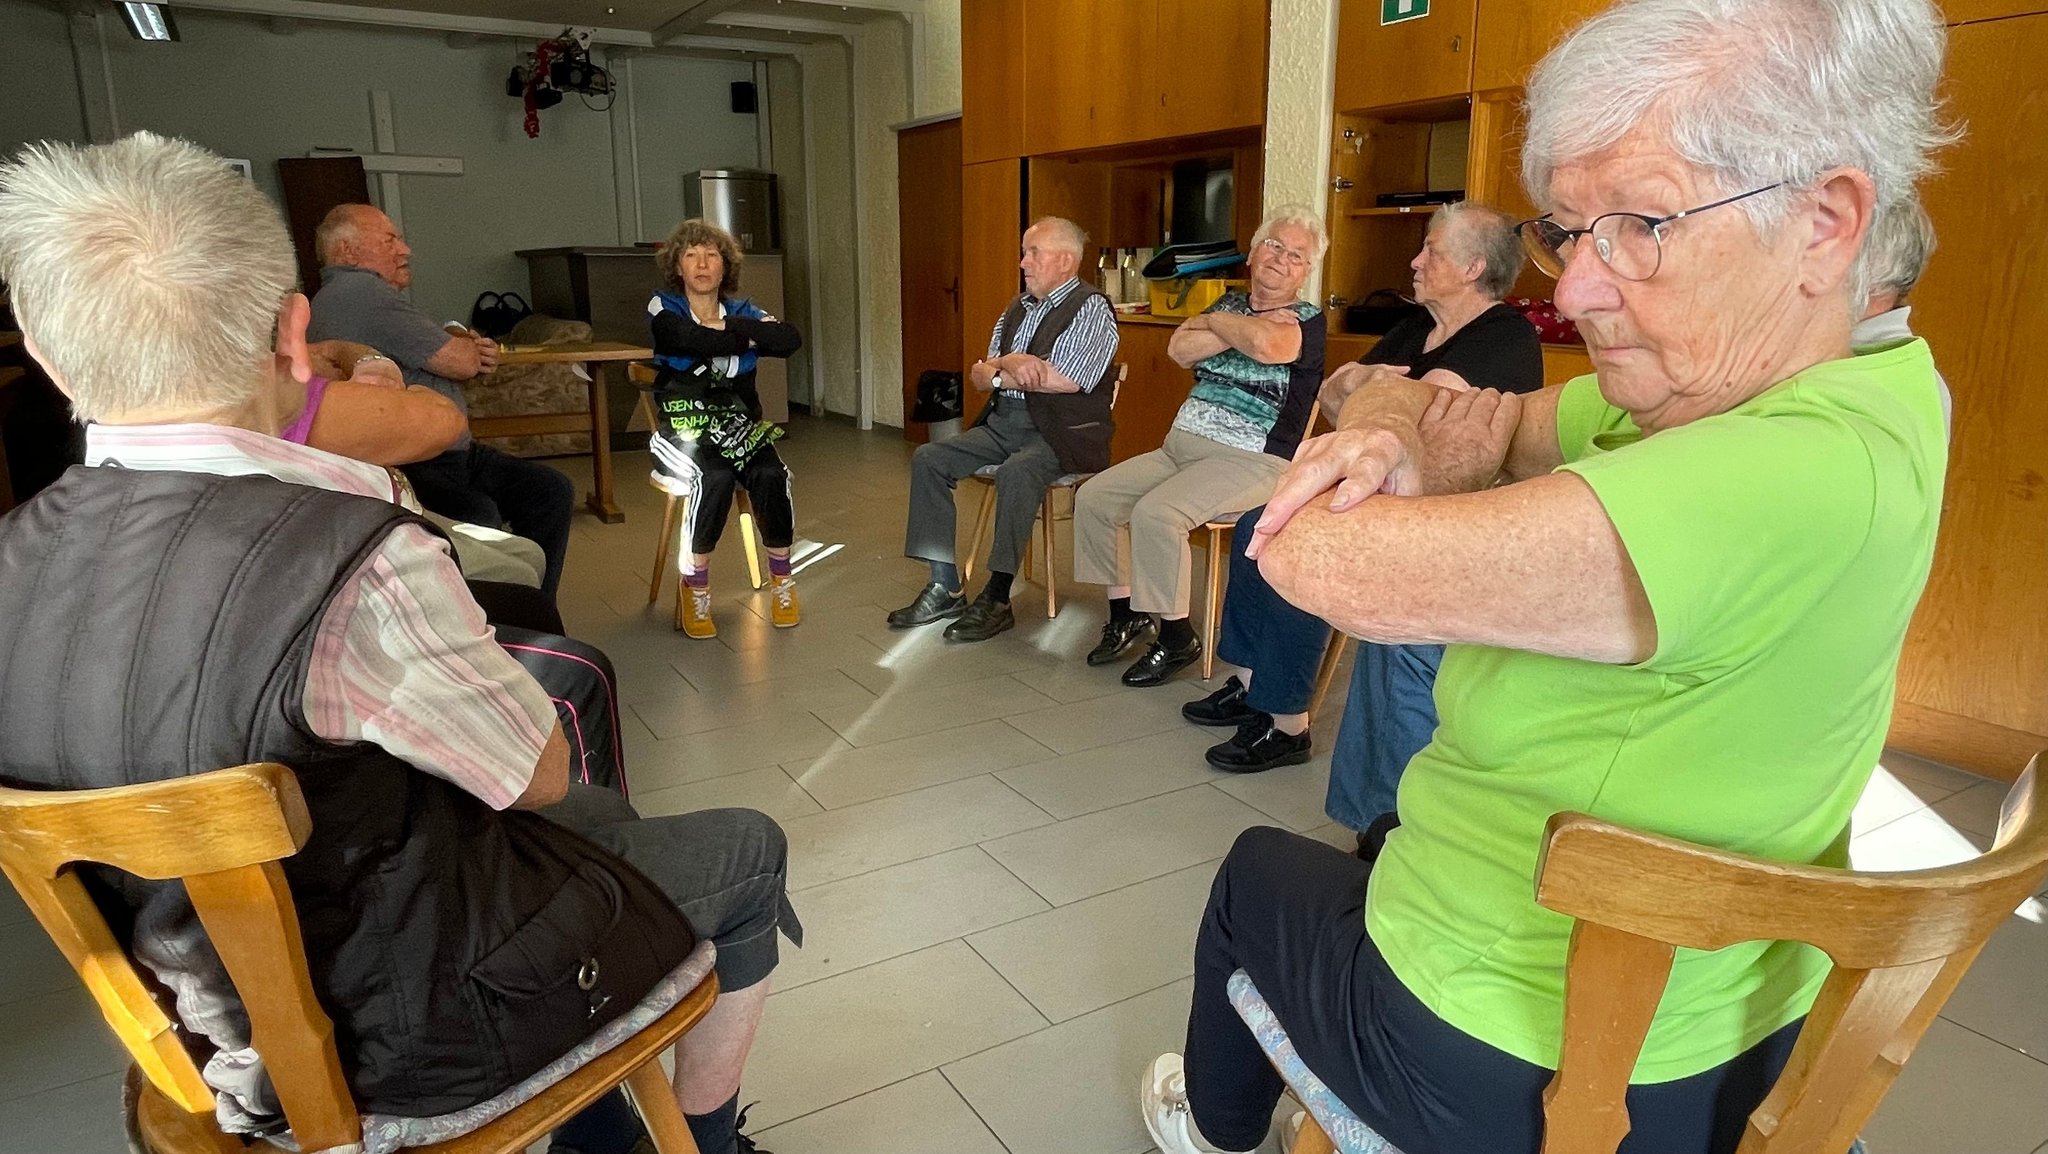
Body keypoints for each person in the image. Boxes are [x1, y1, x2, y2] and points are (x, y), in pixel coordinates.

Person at [1139, 0, 1953, 1150]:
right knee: (1368, 840)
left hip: (1543, 1049)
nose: (1570, 291)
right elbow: (1483, 419)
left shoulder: (1777, 471)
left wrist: (1378, 426)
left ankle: (1209, 1130)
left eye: (1637, 225)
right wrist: (1388, 416)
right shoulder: (1791, 388)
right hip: (1716, 998)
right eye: (1570, 232)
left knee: (1251, 872)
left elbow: (1319, 550)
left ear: (1823, 224)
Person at [0, 133, 797, 1154]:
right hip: (412, 1049)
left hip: (204, 1053)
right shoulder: (353, 557)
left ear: (49, 355)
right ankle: (704, 1144)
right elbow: (536, 773)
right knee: (740, 847)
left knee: (591, 824)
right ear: (296, 337)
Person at [1186, 203, 1542, 779]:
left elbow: (1411, 414)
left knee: (1306, 540)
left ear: (1474, 267)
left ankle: (1286, 723)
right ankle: (1252, 686)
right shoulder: (1416, 326)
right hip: (1375, 490)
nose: (1415, 260)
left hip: (1442, 517)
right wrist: (1370, 389)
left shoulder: (1505, 336)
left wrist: (1370, 388)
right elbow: (1334, 396)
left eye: (1432, 251)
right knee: (1261, 524)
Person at [1072, 206, 1328, 687]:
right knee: (1095, 498)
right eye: (1274, 245)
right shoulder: (1233, 307)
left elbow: (1270, 349)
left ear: (1306, 271)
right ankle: (1128, 613)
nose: (1282, 260)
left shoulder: (1307, 320)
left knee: (1158, 514)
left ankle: (1176, 638)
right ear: (1253, 252)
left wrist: (1216, 324)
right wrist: (1241, 326)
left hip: (1253, 459)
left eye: (1297, 256)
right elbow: (1178, 349)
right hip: (1179, 448)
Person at [307, 203, 578, 599]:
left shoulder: (355, 296)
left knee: (548, 489)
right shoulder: (360, 292)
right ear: (348, 252)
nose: (405, 249)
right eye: (390, 240)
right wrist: (461, 342)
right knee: (486, 510)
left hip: (447, 455)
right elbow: (462, 361)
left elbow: (446, 345)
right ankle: (500, 615)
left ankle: (531, 609)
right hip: (417, 461)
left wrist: (453, 335)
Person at [888, 216, 1118, 641]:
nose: (1023, 262)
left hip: (1062, 432)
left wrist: (998, 368)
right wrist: (1011, 363)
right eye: (1025, 252)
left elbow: (1064, 379)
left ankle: (996, 597)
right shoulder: (1017, 307)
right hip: (1004, 423)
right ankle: (944, 585)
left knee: (1018, 471)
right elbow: (979, 375)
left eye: (1034, 252)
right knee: (930, 458)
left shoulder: (1091, 307)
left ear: (1066, 261)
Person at [646, 218, 805, 639]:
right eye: (691, 254)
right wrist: (751, 339)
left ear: (724, 267)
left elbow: (788, 339)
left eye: (712, 255)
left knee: (771, 474)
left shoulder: (741, 310)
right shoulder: (664, 306)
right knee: (712, 477)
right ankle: (695, 586)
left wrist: (726, 328)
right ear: (677, 267)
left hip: (739, 426)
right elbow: (686, 339)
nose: (702, 263)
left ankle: (783, 582)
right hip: (681, 428)